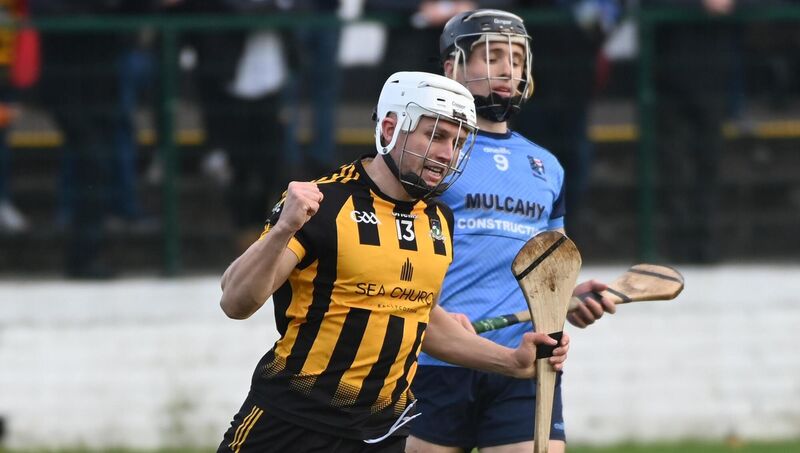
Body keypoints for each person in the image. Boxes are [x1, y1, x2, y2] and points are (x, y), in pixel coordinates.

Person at [216, 71, 571, 453]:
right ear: (390, 128)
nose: (445, 154)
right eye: (435, 136)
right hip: (292, 425)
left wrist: (512, 361)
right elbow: (236, 302)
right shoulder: (323, 204)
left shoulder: (437, 221)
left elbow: (423, 320)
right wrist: (283, 228)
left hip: (381, 432)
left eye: (457, 141)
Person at [406, 10, 616, 453]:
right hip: (433, 361)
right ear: (452, 68)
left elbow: (547, 265)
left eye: (517, 59)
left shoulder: (546, 167)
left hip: (525, 360)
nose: (508, 69)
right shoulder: (429, 153)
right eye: (493, 56)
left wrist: (568, 297)